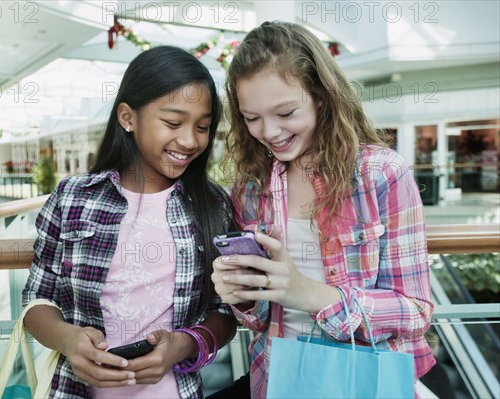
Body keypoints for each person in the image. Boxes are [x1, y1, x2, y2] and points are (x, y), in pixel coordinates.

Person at [210, 21, 436, 398]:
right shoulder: (251, 187)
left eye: (285, 113)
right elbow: (259, 318)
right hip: (277, 378)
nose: (268, 131)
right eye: (252, 118)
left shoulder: (379, 173)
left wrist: (308, 294)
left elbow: (415, 311)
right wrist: (244, 296)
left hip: (364, 379)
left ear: (321, 96)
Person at [22, 46, 238, 399]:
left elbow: (224, 312)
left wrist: (183, 345)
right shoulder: (73, 197)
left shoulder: (213, 205)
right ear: (127, 117)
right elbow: (36, 301)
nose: (189, 140)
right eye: (172, 122)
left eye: (202, 127)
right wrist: (69, 340)